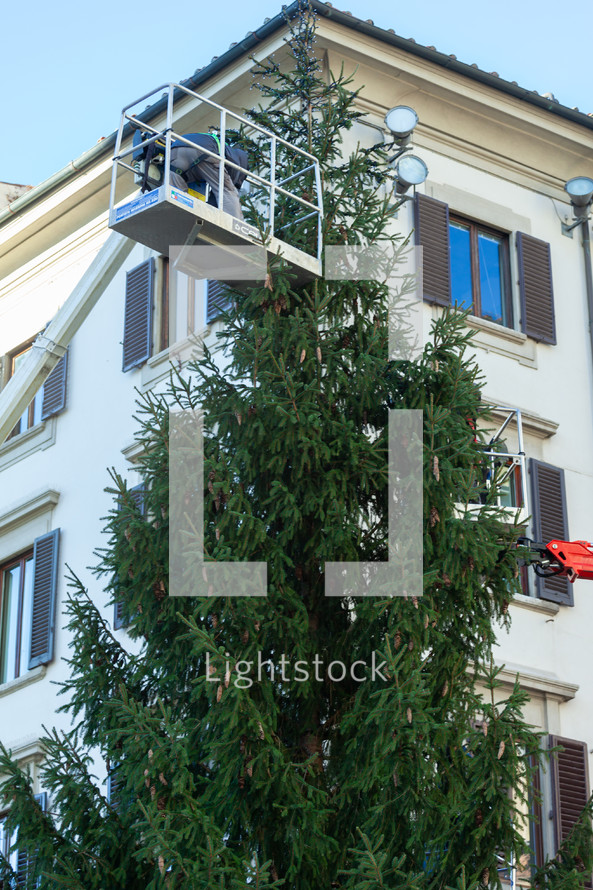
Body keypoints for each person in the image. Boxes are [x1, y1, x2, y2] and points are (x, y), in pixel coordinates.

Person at [169, 132, 248, 220]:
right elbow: (225, 193)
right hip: (204, 150)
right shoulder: (236, 160)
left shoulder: (224, 147)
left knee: (175, 194)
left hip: (177, 148)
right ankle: (234, 225)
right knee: (226, 190)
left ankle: (177, 217)